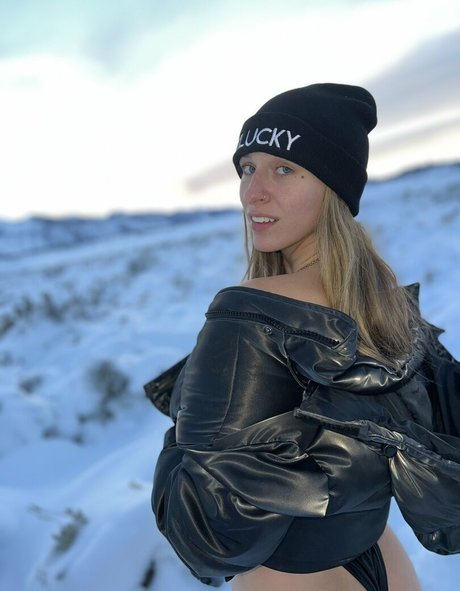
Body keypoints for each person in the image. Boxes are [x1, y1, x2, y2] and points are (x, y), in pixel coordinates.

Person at [148, 83, 459, 591]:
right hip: (381, 559)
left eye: (284, 169)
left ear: (332, 186)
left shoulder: (249, 312)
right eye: (247, 168)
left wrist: (181, 438)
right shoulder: (382, 302)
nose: (253, 192)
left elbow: (208, 535)